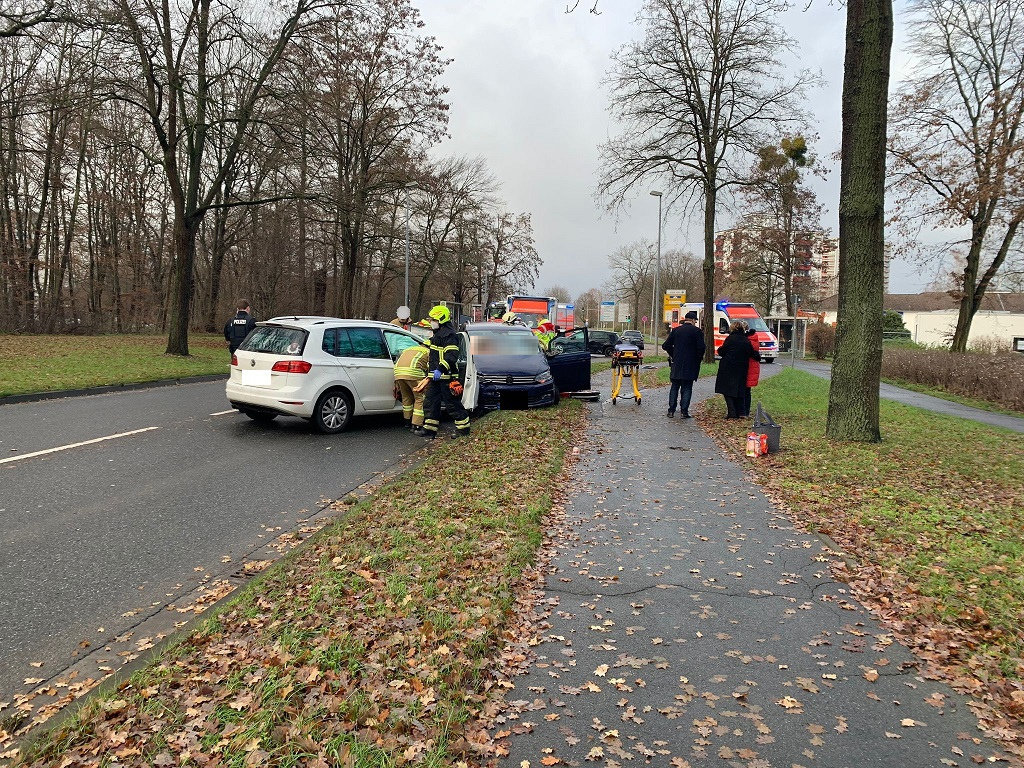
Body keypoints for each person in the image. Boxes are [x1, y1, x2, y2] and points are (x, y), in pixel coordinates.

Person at [417, 305, 471, 439]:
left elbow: (451, 356)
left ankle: (463, 429)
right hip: (435, 377)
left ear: (441, 319)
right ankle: (429, 429)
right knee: (430, 403)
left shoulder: (450, 336)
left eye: (433, 319)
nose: (431, 322)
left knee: (452, 404)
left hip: (447, 377)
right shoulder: (438, 335)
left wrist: (440, 370)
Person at [661, 310, 706, 418]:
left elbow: (665, 345)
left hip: (677, 363)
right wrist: (697, 358)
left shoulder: (676, 331)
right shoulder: (697, 332)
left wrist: (673, 354)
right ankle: (684, 412)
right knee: (687, 387)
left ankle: (671, 411)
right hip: (691, 364)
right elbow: (701, 348)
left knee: (675, 387)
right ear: (693, 320)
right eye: (695, 320)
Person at [715, 320, 760, 419]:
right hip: (741, 368)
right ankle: (741, 412)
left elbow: (722, 351)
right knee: (739, 390)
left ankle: (732, 412)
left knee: (727, 390)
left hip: (728, 367)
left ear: (733, 328)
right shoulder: (745, 340)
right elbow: (753, 354)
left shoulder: (730, 339)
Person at [394, 340, 430, 430]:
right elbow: (430, 368)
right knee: (420, 398)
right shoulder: (428, 351)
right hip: (414, 374)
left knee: (406, 397)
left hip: (398, 374)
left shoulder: (409, 349)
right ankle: (416, 424)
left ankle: (407, 421)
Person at [741, 323, 761, 418]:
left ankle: (744, 411)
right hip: (753, 366)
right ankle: (746, 411)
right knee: (747, 390)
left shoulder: (747, 340)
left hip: (748, 366)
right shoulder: (754, 338)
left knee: (745, 390)